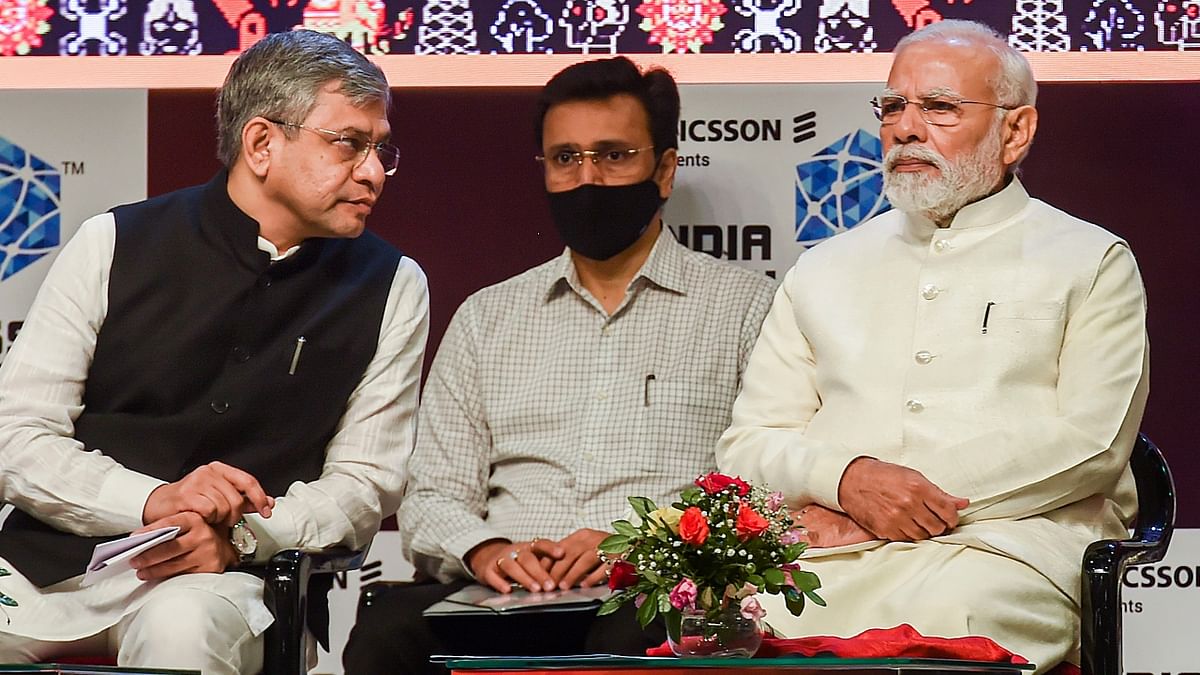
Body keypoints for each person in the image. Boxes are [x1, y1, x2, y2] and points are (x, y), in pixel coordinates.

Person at [716, 19, 1147, 674]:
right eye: (893, 106)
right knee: (737, 620)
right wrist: (847, 482)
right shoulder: (823, 269)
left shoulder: (1090, 260)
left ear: (1016, 130)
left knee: (959, 615)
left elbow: (1093, 440)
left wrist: (901, 503)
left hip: (1006, 549)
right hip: (833, 554)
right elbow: (748, 444)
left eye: (939, 107)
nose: (906, 128)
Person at [0, 30, 428, 674]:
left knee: (182, 631)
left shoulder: (392, 285)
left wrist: (249, 535)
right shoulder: (112, 243)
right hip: (50, 566)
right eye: (349, 144)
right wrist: (152, 503)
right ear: (261, 144)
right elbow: (16, 435)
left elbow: (366, 482)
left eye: (380, 149)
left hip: (224, 581)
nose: (372, 171)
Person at [343, 56, 776, 674]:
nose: (588, 178)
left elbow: (758, 493)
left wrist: (639, 548)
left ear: (665, 168)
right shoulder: (487, 317)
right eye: (566, 158)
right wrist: (488, 550)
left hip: (650, 595)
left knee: (627, 639)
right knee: (387, 634)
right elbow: (432, 494)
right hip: (499, 596)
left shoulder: (745, 308)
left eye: (614, 155)